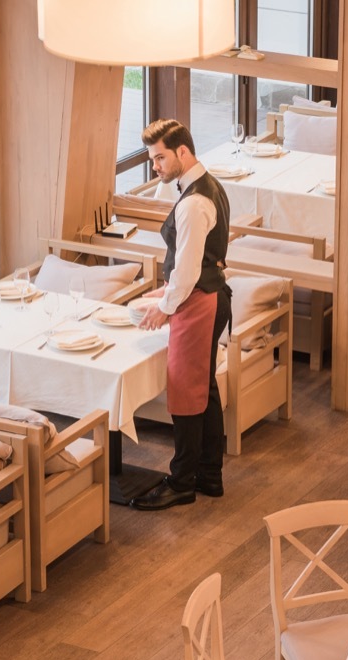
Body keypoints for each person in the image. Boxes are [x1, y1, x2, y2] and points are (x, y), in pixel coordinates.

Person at [131, 119, 232, 511]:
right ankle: (210, 476)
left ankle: (182, 482)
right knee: (204, 388)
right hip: (210, 295)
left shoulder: (193, 202)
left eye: (160, 157)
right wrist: (167, 291)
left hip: (198, 304)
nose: (155, 166)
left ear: (182, 152)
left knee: (185, 395)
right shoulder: (209, 186)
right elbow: (197, 263)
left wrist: (164, 307)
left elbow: (189, 271)